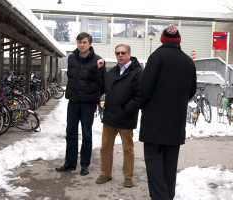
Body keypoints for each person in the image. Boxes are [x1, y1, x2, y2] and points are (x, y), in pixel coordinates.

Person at [139, 24, 197, 199]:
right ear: (179, 40)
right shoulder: (188, 61)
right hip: (176, 122)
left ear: (162, 40)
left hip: (154, 124)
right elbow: (192, 90)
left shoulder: (156, 57)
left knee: (154, 165)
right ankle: (168, 196)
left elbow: (145, 88)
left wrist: (144, 106)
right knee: (170, 166)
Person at [55, 32, 106, 176]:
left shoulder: (98, 60)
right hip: (73, 102)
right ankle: (70, 163)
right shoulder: (72, 58)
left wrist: (100, 69)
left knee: (86, 134)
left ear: (89, 44)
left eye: (84, 42)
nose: (81, 45)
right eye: (79, 42)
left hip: (88, 104)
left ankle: (85, 165)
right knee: (70, 133)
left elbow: (103, 84)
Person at [95, 44, 142, 187]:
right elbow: (102, 86)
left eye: (122, 53)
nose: (120, 55)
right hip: (110, 115)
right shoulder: (113, 72)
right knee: (105, 148)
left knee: (128, 149)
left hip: (126, 117)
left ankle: (128, 177)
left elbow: (139, 96)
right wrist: (100, 70)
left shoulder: (138, 72)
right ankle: (105, 174)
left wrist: (127, 109)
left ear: (129, 54)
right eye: (117, 53)